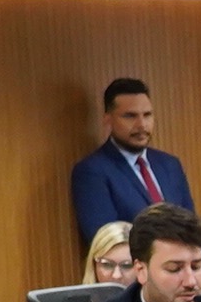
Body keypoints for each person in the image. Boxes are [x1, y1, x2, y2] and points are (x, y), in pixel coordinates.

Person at [69, 76, 192, 247]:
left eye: (147, 115)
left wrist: (193, 262)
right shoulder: (92, 172)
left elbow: (193, 230)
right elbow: (107, 243)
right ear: (108, 119)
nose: (141, 125)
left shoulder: (170, 165)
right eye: (130, 116)